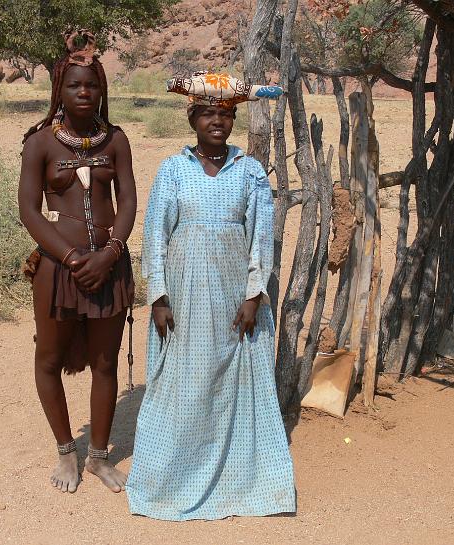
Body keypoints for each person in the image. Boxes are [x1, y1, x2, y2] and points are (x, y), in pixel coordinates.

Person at [126, 72, 295, 520]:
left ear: (233, 119)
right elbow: (155, 234)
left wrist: (253, 296)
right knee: (181, 385)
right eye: (207, 114)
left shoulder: (250, 170)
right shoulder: (173, 168)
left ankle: (241, 480)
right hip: (182, 300)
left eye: (224, 114)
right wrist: (158, 298)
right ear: (193, 119)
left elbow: (261, 236)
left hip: (232, 298)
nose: (216, 122)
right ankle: (170, 481)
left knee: (231, 385)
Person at [18, 30, 137, 494]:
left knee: (105, 363)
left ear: (102, 89)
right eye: (74, 86)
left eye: (91, 85)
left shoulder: (117, 140)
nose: (84, 93)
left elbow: (127, 201)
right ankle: (67, 450)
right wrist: (70, 258)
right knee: (48, 359)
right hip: (57, 270)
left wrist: (110, 253)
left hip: (108, 266)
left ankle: (100, 457)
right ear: (59, 91)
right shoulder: (40, 143)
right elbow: (29, 209)